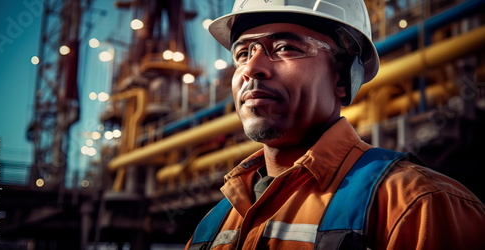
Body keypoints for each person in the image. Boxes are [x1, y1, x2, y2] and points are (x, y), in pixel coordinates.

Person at [185, 0, 485, 249]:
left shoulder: (418, 205)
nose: (251, 68)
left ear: (341, 78)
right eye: (242, 53)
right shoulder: (213, 224)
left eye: (286, 47)